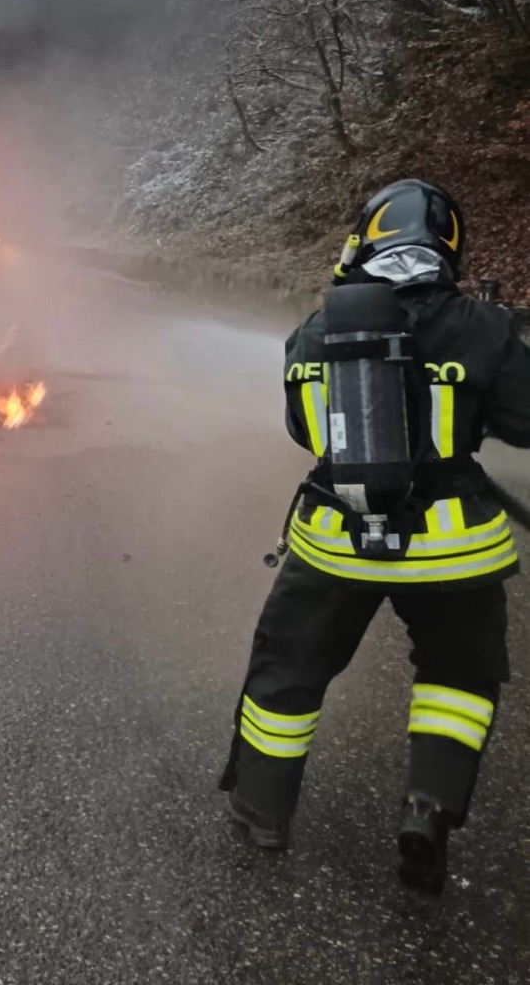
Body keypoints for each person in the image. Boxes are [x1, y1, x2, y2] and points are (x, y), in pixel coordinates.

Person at [219, 179, 530, 893]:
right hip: (456, 551)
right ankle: (428, 809)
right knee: (457, 677)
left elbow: (304, 430)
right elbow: (524, 422)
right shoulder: (483, 327)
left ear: (364, 242)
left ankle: (262, 809)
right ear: (447, 246)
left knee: (288, 669)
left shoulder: (319, 328)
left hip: (339, 541)